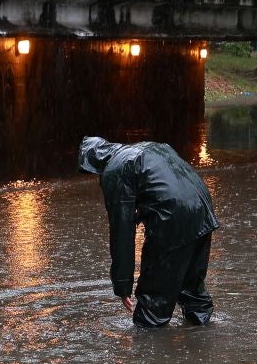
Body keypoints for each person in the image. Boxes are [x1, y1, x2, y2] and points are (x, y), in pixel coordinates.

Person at [77, 136, 218, 327]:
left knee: (152, 306)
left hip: (171, 218)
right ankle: (203, 338)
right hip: (202, 210)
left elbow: (122, 231)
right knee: (192, 290)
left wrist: (122, 285)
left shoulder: (115, 169)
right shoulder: (154, 146)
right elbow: (166, 185)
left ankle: (147, 353)